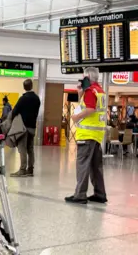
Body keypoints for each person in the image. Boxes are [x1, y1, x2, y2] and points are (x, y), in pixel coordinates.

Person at [65, 67, 107, 204]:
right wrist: (79, 91)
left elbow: (90, 108)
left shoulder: (90, 91)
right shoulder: (99, 91)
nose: (82, 79)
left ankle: (80, 195)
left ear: (88, 77)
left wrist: (76, 117)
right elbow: (86, 105)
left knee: (82, 165)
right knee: (95, 166)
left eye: (84, 77)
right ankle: (100, 194)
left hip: (87, 135)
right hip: (96, 134)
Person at [10, 79, 41, 177]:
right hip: (32, 127)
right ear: (32, 86)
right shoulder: (37, 98)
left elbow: (14, 111)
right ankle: (30, 169)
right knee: (30, 149)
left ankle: (22, 170)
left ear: (24, 87)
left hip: (23, 128)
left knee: (22, 148)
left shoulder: (23, 99)